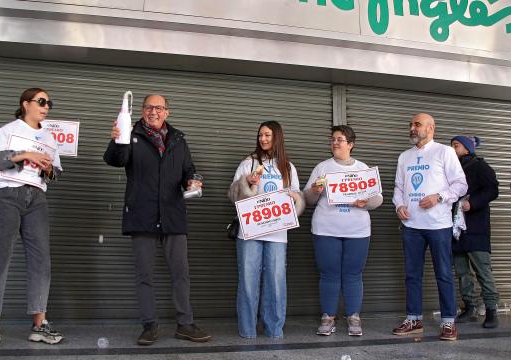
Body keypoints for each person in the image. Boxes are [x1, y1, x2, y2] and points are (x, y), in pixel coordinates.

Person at [104, 94, 210, 345]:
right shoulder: (131, 133)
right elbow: (115, 161)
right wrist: (118, 139)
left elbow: (188, 169)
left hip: (173, 215)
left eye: (159, 108)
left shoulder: (179, 139)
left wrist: (193, 180)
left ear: (167, 112)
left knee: (181, 273)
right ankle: (149, 326)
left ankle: (185, 324)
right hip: (142, 214)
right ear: (142, 110)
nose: (154, 112)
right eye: (149, 107)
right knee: (144, 275)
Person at [0, 88, 63, 348]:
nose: (46, 106)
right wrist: (24, 155)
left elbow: (56, 174)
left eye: (48, 102)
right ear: (25, 104)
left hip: (37, 198)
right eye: (41, 101)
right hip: (6, 194)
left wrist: (48, 168)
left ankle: (39, 324)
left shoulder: (49, 137)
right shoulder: (9, 130)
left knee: (41, 261)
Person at [392, 113, 467, 341]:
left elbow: (461, 185)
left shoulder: (445, 152)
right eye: (411, 124)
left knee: (443, 274)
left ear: (431, 128)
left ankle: (448, 322)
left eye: (417, 124)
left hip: (438, 225)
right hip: (411, 226)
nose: (412, 128)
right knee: (412, 275)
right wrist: (399, 206)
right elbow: (398, 187)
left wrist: (439, 197)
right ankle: (414, 319)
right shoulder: (404, 157)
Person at [303, 125, 383, 336]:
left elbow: (378, 200)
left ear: (351, 144)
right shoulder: (322, 168)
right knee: (329, 274)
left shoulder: (363, 169)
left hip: (357, 230)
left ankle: (353, 316)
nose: (335, 143)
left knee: (353, 274)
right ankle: (328, 317)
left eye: (340, 139)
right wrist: (314, 191)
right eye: (332, 139)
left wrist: (365, 202)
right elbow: (307, 200)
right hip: (326, 229)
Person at [227, 121, 304, 339]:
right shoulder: (248, 163)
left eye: (268, 135)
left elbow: (297, 198)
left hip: (278, 233)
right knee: (248, 281)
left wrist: (294, 198)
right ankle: (247, 330)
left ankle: (274, 329)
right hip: (249, 231)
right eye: (260, 135)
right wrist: (246, 182)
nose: (263, 139)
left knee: (276, 282)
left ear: (277, 137)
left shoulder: (287, 167)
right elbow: (232, 195)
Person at [449, 135, 500, 328]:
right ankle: (469, 307)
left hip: (476, 228)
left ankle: (491, 310)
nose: (452, 149)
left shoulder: (480, 166)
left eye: (456, 145)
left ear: (468, 148)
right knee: (462, 272)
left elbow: (493, 189)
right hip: (455, 230)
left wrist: (473, 203)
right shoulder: (451, 168)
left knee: (483, 271)